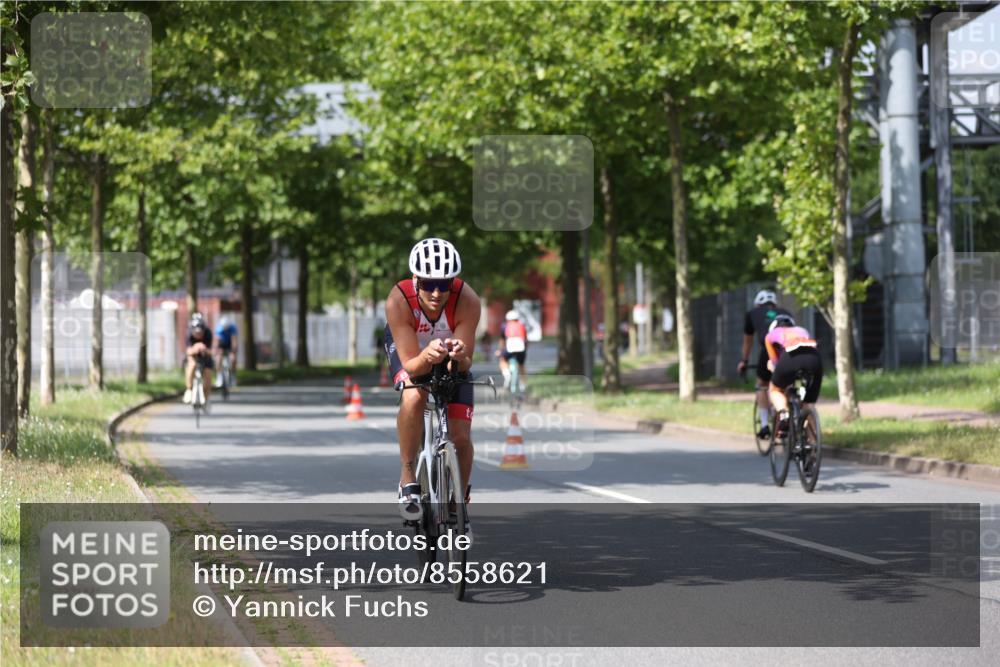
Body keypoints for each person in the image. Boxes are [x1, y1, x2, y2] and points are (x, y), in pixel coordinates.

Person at [384, 238, 481, 520]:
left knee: (461, 436)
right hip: (414, 351)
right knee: (414, 395)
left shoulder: (468, 300)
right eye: (428, 284)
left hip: (447, 354)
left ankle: (458, 499)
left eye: (444, 284)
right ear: (416, 280)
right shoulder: (398, 300)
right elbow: (413, 366)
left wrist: (460, 356)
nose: (437, 292)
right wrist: (427, 356)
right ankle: (407, 477)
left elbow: (464, 363)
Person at [737, 289, 793, 439]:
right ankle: (786, 414)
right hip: (790, 348)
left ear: (758, 303)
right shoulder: (785, 311)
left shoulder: (752, 313)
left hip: (769, 348)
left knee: (762, 383)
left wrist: (744, 361)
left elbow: (747, 341)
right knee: (785, 383)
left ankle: (764, 425)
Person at [764, 315, 823, 437]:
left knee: (774, 390)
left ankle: (784, 414)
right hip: (815, 358)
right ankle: (813, 444)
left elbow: (774, 360)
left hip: (790, 357)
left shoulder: (771, 335)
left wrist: (773, 368)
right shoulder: (802, 330)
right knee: (808, 403)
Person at [184, 313, 214, 404]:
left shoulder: (208, 333)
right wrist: (195, 348)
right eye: (196, 332)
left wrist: (203, 349)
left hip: (205, 355)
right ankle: (189, 389)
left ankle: (206, 397)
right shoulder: (189, 334)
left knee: (208, 375)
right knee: (192, 365)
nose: (198, 334)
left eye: (200, 332)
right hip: (193, 355)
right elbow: (188, 351)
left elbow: (210, 352)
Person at [497, 309, 528, 390]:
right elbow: (526, 340)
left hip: (510, 348)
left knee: (502, 360)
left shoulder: (505, 326)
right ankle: (523, 384)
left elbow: (502, 340)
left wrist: (499, 350)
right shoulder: (522, 325)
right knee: (521, 365)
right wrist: (525, 349)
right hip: (521, 348)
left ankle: (507, 375)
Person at [213, 315, 238, 388]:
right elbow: (216, 341)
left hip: (230, 343)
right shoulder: (219, 328)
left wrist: (233, 350)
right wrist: (216, 350)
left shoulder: (233, 328)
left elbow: (234, 340)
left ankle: (233, 376)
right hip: (222, 344)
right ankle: (219, 376)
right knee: (218, 359)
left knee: (233, 359)